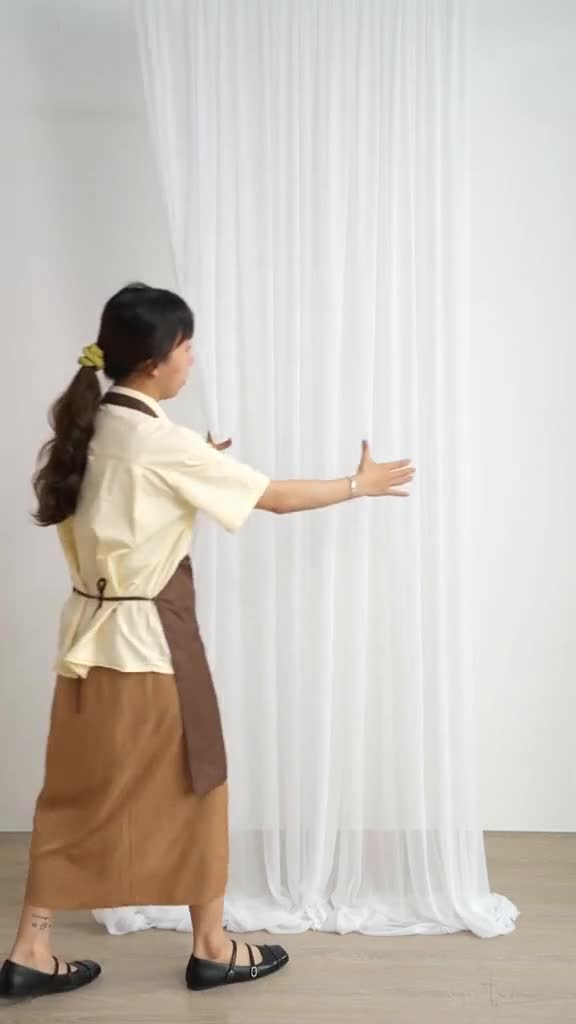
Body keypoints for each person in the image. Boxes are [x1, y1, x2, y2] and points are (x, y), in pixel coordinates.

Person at [0, 283, 415, 1002]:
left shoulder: (95, 424)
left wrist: (198, 459)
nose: (192, 360)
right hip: (149, 645)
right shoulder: (160, 442)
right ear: (157, 360)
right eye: (187, 347)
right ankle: (213, 948)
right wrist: (360, 483)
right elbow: (275, 498)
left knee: (73, 794)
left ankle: (31, 948)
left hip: (88, 642)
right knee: (200, 784)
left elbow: (135, 491)